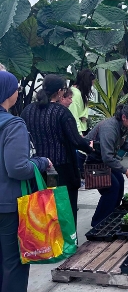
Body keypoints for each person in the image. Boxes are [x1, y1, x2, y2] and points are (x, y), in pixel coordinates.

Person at [0, 71, 53, 292]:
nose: (18, 91)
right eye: (15, 87)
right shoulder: (13, 124)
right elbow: (17, 168)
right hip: (9, 205)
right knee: (14, 263)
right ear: (6, 92)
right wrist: (41, 162)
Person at [21, 75, 94, 221]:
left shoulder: (28, 111)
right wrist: (89, 147)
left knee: (45, 207)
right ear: (60, 91)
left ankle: (47, 241)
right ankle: (67, 241)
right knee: (64, 208)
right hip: (61, 169)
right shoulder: (61, 112)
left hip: (38, 168)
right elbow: (76, 140)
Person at [86, 103, 128, 227]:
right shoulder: (109, 128)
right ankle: (98, 222)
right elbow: (107, 157)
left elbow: (122, 144)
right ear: (124, 117)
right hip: (92, 161)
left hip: (102, 159)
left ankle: (111, 215)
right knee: (111, 187)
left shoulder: (122, 126)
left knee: (119, 182)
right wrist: (126, 171)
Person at [69, 69, 94, 136]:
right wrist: (80, 134)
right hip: (79, 131)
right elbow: (74, 116)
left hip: (83, 128)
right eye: (90, 85)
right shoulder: (75, 94)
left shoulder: (79, 93)